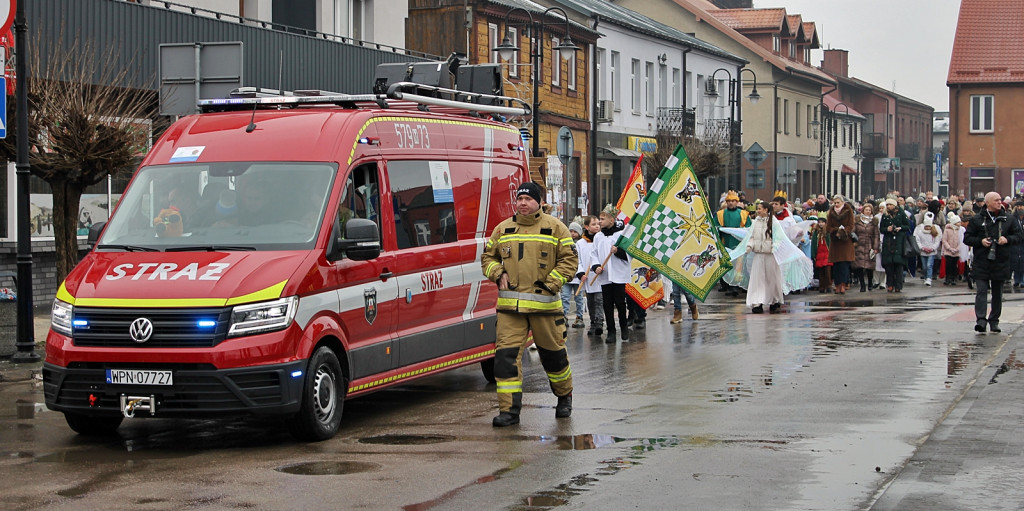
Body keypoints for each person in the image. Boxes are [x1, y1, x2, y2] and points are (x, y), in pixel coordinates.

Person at [480, 182, 576, 427]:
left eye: (528, 199)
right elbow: (487, 258)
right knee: (505, 359)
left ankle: (564, 396)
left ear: (539, 202)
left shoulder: (556, 228)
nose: (523, 203)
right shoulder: (503, 229)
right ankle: (509, 411)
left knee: (554, 358)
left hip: (545, 309)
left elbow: (570, 261)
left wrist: (553, 282)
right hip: (510, 310)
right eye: (520, 198)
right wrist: (497, 272)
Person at [964, 191, 1024, 333]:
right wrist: (980, 241)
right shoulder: (977, 219)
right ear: (988, 202)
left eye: (1000, 200)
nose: (999, 202)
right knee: (982, 290)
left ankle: (994, 320)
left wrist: (1007, 239)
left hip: (1001, 260)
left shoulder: (1008, 219)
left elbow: (1019, 236)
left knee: (997, 293)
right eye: (996, 200)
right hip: (982, 260)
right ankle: (981, 320)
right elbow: (967, 238)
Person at [591, 205, 631, 342]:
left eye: (602, 219)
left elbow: (629, 254)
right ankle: (611, 331)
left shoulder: (620, 235)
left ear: (611, 220)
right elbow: (594, 254)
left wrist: (618, 251)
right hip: (605, 275)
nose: (599, 222)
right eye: (599, 219)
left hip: (618, 274)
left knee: (620, 303)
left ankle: (624, 326)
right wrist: (596, 266)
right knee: (607, 304)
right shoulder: (598, 237)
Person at [745, 201, 786, 313]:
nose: (758, 211)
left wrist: (774, 247)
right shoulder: (755, 222)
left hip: (771, 255)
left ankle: (774, 300)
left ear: (766, 210)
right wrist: (749, 245)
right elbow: (752, 236)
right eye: (757, 209)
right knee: (758, 279)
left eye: (760, 209)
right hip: (759, 254)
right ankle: (757, 302)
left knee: (771, 278)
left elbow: (779, 237)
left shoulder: (774, 222)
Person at [715, 190, 751, 296]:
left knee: (739, 266)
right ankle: (727, 285)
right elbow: (715, 227)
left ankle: (737, 285)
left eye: (733, 201)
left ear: (737, 202)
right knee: (727, 264)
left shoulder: (744, 214)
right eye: (729, 201)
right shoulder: (720, 214)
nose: (731, 203)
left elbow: (748, 229)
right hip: (725, 242)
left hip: (738, 243)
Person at [576, 215, 604, 336]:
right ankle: (593, 322)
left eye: (598, 224)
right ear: (586, 227)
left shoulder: (602, 240)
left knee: (599, 299)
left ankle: (599, 322)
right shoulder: (581, 243)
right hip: (587, 277)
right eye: (594, 224)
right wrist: (581, 273)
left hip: (599, 275)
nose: (597, 226)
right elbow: (577, 260)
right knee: (591, 301)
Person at [826, 195, 856, 294]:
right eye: (835, 203)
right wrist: (835, 231)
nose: (836, 204)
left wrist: (843, 232)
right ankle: (837, 284)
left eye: (838, 202)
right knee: (836, 265)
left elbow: (851, 225)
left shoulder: (848, 211)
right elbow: (828, 226)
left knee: (844, 265)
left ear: (843, 203)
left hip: (845, 241)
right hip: (835, 242)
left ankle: (843, 284)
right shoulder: (831, 212)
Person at [879, 198, 910, 292]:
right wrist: (887, 229)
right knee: (889, 266)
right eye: (887, 205)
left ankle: (898, 285)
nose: (888, 206)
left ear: (894, 205)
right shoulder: (884, 215)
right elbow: (881, 229)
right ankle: (890, 284)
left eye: (890, 205)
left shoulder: (901, 214)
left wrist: (900, 228)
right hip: (888, 241)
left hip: (899, 241)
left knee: (899, 266)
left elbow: (907, 226)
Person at [561, 221, 587, 328]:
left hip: (578, 277)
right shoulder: (565, 243)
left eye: (575, 231)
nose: (572, 234)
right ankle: (564, 316)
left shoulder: (581, 244)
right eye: (570, 231)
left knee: (579, 298)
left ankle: (579, 317)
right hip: (567, 277)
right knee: (565, 297)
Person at [853, 202, 880, 292]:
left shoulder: (874, 221)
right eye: (866, 210)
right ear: (863, 210)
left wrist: (876, 247)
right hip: (859, 245)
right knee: (859, 266)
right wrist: (854, 242)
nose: (868, 211)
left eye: (869, 210)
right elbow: (853, 232)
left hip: (870, 245)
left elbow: (876, 235)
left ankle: (870, 283)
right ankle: (862, 285)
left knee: (869, 267)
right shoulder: (857, 220)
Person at [914, 212, 942, 286]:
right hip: (923, 252)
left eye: (929, 226)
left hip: (931, 252)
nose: (927, 228)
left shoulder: (934, 233)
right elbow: (918, 240)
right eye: (926, 226)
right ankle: (926, 277)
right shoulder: (920, 232)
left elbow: (937, 241)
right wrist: (922, 248)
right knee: (924, 266)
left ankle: (929, 278)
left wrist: (932, 249)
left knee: (929, 265)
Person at [811, 214, 832, 293]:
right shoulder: (816, 232)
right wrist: (814, 255)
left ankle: (828, 285)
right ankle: (822, 286)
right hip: (819, 253)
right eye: (819, 222)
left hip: (827, 253)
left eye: (823, 222)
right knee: (821, 271)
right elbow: (813, 244)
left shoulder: (828, 232)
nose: (821, 224)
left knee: (828, 270)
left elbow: (830, 242)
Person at [942, 213, 962, 286]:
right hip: (948, 251)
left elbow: (961, 241)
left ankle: (954, 278)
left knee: (954, 265)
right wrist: (949, 248)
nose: (959, 223)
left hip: (956, 252)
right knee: (948, 264)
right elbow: (944, 240)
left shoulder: (960, 230)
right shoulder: (947, 230)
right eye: (958, 222)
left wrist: (957, 249)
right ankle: (948, 277)